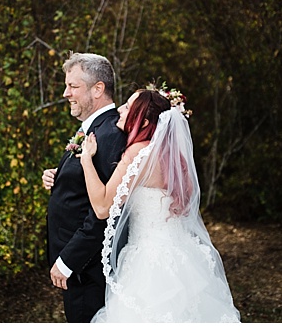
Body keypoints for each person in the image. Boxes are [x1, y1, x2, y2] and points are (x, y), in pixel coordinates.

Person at [78, 87, 241, 322]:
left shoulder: (137, 152)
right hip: (184, 257)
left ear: (143, 122)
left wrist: (86, 160)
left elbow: (103, 207)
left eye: (128, 108)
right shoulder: (171, 156)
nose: (121, 110)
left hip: (149, 263)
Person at [41, 52, 127, 322]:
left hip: (87, 270)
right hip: (80, 268)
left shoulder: (110, 133)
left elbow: (105, 210)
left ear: (98, 89)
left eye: (73, 86)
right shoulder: (92, 129)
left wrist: (69, 261)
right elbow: (86, 185)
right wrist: (61, 177)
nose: (66, 93)